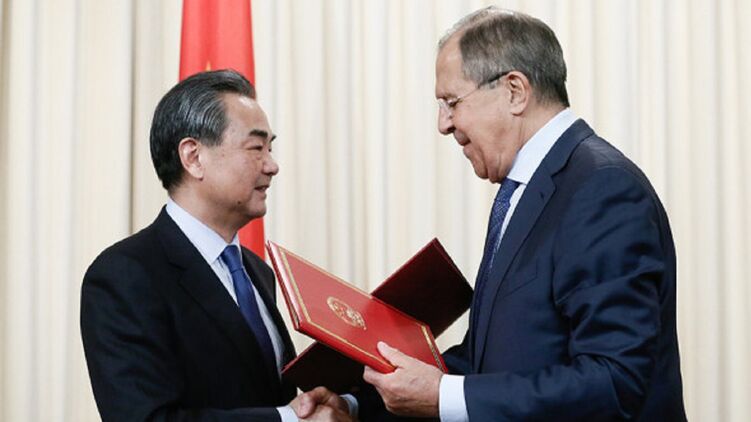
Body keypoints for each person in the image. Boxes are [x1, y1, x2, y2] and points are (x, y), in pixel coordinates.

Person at [363, 7, 686, 421]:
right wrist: (358, 404)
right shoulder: (524, 190)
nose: (443, 124)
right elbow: (488, 361)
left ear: (515, 91)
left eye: (451, 102)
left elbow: (613, 380)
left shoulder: (601, 189)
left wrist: (443, 396)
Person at [81, 70, 352, 422]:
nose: (272, 166)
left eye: (270, 148)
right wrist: (287, 420)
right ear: (193, 157)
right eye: (256, 148)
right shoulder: (124, 274)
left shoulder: (258, 271)